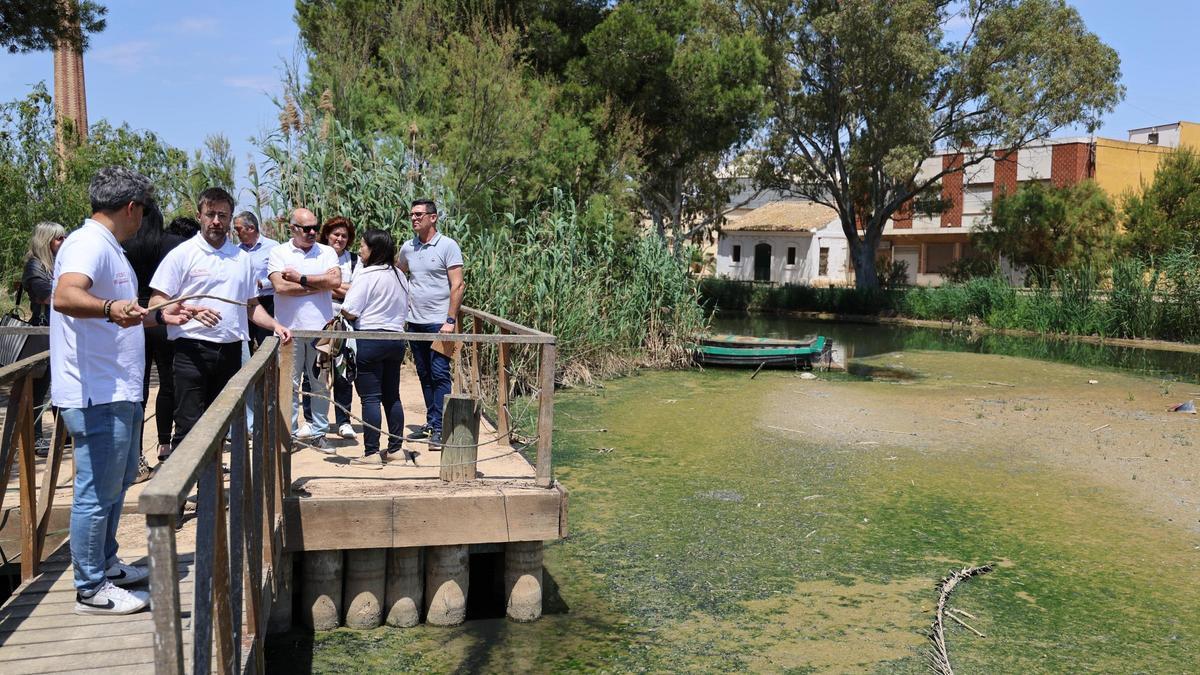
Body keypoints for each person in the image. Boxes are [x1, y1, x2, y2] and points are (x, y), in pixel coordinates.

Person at [51, 166, 200, 615]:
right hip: (96, 392)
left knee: (114, 487)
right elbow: (65, 296)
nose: (145, 219)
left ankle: (107, 565)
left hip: (118, 388)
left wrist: (159, 316)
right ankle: (90, 588)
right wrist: (109, 307)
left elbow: (123, 314)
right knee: (96, 493)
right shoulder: (88, 244)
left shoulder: (108, 246)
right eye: (145, 210)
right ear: (132, 208)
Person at [149, 188, 291, 454]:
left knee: (222, 423)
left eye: (222, 215)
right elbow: (157, 302)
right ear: (199, 216)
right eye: (210, 214)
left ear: (230, 219)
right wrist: (189, 310)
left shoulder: (242, 259)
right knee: (189, 424)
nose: (216, 221)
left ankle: (211, 480)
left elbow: (251, 306)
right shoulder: (182, 254)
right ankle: (185, 478)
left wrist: (275, 325)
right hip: (191, 349)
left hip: (231, 350)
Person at [268, 207, 342, 448]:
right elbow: (280, 287)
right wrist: (318, 284)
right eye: (306, 228)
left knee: (320, 383)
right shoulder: (278, 252)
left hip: (321, 331)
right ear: (293, 228)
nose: (312, 232)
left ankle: (319, 432)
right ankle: (288, 434)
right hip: (288, 331)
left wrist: (300, 278)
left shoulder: (327, 251)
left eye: (315, 228)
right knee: (288, 384)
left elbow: (335, 281)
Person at [123, 202, 187, 470]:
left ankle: (135, 455)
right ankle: (164, 443)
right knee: (168, 383)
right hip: (162, 315)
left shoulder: (123, 244)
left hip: (130, 315)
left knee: (137, 387)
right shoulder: (173, 244)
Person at [340, 228, 411, 466]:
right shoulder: (400, 275)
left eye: (363, 246)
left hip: (369, 339)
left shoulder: (367, 274)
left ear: (373, 249)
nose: (360, 250)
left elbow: (350, 310)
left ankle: (371, 453)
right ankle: (395, 449)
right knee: (392, 396)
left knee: (370, 398)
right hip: (395, 340)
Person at [399, 199, 464, 447]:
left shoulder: (448, 246)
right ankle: (432, 422)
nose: (414, 218)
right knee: (424, 374)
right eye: (412, 214)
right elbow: (398, 273)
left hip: (440, 324)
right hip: (415, 322)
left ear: (433, 217)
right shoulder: (408, 248)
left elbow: (458, 285)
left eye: (419, 214)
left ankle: (441, 428)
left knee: (439, 373)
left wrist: (450, 320)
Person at [20, 221, 66, 455]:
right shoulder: (35, 266)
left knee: (58, 384)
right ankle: (34, 438)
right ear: (45, 241)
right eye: (59, 238)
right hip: (41, 335)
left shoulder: (56, 264)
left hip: (56, 332)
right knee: (38, 390)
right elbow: (49, 296)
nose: (63, 242)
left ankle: (64, 433)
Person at [311, 216, 357, 440]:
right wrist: (337, 286)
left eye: (344, 236)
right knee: (314, 370)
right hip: (317, 317)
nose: (339, 239)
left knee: (343, 370)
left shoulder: (355, 261)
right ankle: (311, 419)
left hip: (343, 320)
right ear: (327, 235)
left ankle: (343, 420)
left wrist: (326, 285)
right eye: (335, 234)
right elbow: (309, 284)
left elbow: (357, 290)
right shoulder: (315, 256)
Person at [233, 211, 279, 348]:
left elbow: (281, 276)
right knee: (244, 344)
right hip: (244, 303)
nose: (236, 233)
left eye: (238, 229)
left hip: (267, 302)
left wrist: (262, 283)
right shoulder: (236, 251)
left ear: (251, 228)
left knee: (267, 344)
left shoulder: (273, 247)